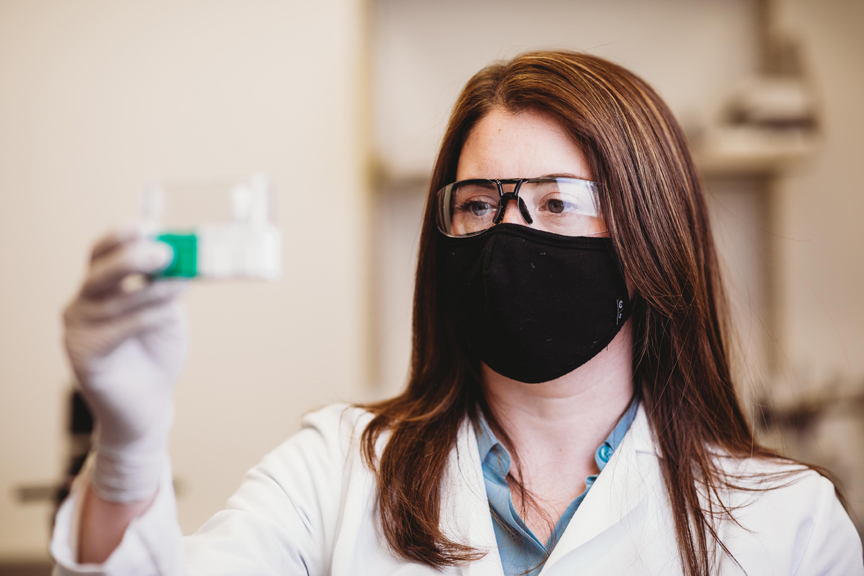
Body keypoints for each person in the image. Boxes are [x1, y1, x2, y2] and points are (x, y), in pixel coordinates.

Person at [52, 51, 862, 576]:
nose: (510, 232)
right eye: (479, 205)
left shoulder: (785, 522)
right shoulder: (334, 471)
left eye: (556, 201)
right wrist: (126, 448)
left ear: (652, 230)